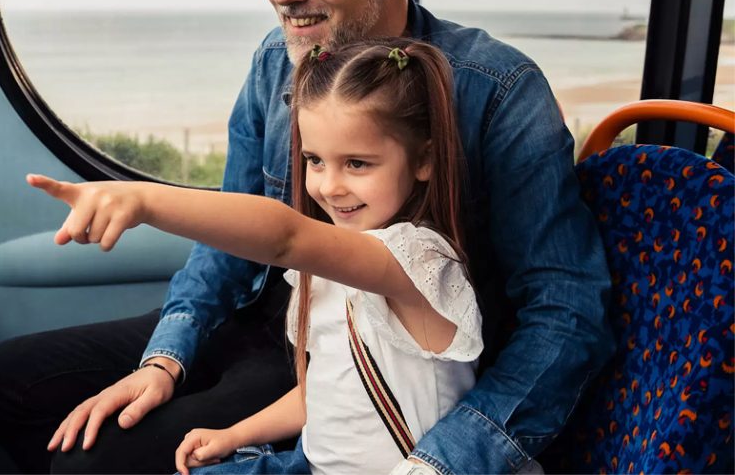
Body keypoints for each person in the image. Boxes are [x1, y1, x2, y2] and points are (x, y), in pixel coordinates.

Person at [0, 0, 614, 474]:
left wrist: (445, 458)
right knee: (8, 381)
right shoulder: (273, 63)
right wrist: (168, 356)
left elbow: (567, 315)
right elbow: (232, 232)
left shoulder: (498, 91)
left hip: (370, 359)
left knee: (92, 459)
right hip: (274, 316)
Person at [28, 39, 482, 475]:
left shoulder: (421, 261)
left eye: (358, 164)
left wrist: (145, 202)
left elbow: (284, 236)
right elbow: (319, 393)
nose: (330, 186)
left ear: (423, 161)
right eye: (315, 161)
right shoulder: (331, 275)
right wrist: (232, 435)